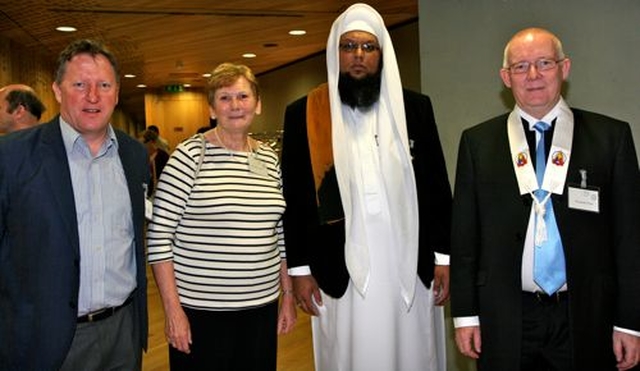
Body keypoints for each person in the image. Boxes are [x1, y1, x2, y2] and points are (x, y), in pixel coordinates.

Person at [450, 27, 640, 371]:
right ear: (505, 78)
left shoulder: (612, 139)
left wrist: (629, 321)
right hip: (505, 317)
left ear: (564, 69)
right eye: (521, 67)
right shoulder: (477, 144)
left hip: (587, 316)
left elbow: (630, 240)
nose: (533, 75)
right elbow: (465, 238)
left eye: (544, 63)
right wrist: (465, 315)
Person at [280, 3, 452, 370]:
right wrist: (298, 270)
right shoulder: (306, 113)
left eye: (368, 47)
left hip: (408, 263)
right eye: (348, 46)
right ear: (335, 52)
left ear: (382, 54)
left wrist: (444, 257)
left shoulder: (414, 108)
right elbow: (293, 199)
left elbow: (437, 187)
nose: (358, 56)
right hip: (337, 265)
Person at [0, 39, 149, 370]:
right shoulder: (12, 157)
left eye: (104, 85)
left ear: (117, 92)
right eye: (80, 84)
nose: (93, 96)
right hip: (46, 341)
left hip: (122, 332)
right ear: (57, 90)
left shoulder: (134, 156)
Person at [147, 62, 296, 371]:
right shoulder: (189, 158)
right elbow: (159, 237)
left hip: (261, 310)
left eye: (243, 96)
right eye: (225, 98)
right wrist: (173, 312)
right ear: (212, 109)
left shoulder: (268, 158)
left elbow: (280, 233)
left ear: (258, 104)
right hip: (203, 314)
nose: (235, 106)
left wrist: (288, 295)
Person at [141, 128, 170, 195]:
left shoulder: (163, 156)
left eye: (143, 143)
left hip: (161, 193)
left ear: (150, 142)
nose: (141, 145)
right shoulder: (141, 156)